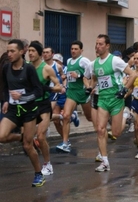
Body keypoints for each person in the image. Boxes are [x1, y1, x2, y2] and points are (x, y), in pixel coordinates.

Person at [0, 39, 44, 186]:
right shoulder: (6, 68)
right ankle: (20, 137)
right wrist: (6, 100)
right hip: (13, 109)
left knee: (27, 146)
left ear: (21, 52)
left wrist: (23, 97)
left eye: (12, 51)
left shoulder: (29, 69)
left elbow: (39, 91)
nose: (9, 54)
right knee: (2, 136)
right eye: (8, 51)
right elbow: (5, 87)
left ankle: (38, 173)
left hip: (28, 111)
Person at [90, 34, 136, 172]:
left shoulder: (115, 60)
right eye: (96, 44)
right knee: (100, 129)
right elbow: (93, 79)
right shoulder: (94, 64)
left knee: (116, 133)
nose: (97, 46)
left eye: (100, 44)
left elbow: (133, 74)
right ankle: (105, 162)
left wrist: (125, 89)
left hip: (116, 99)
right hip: (103, 99)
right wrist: (90, 88)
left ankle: (126, 115)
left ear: (107, 46)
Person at [28, 42, 64, 176]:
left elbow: (59, 87)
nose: (30, 53)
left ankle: (47, 164)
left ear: (39, 53)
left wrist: (46, 88)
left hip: (43, 105)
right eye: (29, 51)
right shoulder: (26, 67)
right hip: (29, 104)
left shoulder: (47, 69)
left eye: (33, 51)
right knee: (27, 138)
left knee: (41, 136)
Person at [57, 40, 92, 153]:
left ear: (81, 50)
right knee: (66, 116)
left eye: (76, 49)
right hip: (72, 92)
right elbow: (70, 75)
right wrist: (65, 77)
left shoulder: (84, 61)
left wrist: (79, 75)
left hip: (82, 92)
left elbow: (92, 73)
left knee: (89, 117)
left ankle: (103, 128)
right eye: (72, 49)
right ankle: (65, 143)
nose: (73, 51)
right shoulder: (68, 61)